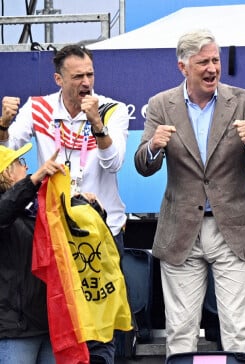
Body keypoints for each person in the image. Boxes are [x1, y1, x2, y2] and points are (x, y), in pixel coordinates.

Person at [134, 29, 245, 357]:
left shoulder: (244, 101)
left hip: (235, 229)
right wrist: (154, 147)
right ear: (183, 68)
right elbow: (143, 166)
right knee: (181, 329)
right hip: (181, 230)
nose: (212, 68)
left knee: (239, 327)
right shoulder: (160, 105)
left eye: (216, 60)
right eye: (203, 63)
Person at [0, 44, 131, 363]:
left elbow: (114, 164)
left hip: (102, 232)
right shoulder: (39, 109)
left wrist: (96, 123)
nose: (86, 82)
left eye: (90, 74)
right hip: (57, 235)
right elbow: (5, 154)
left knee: (98, 333)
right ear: (59, 79)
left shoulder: (111, 109)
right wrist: (3, 123)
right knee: (66, 328)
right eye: (78, 76)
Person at [0, 143, 65, 364]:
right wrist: (33, 180)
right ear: (7, 173)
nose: (27, 168)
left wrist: (89, 205)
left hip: (47, 325)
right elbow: (6, 209)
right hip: (15, 329)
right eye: (21, 164)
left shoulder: (34, 209)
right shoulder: (6, 210)